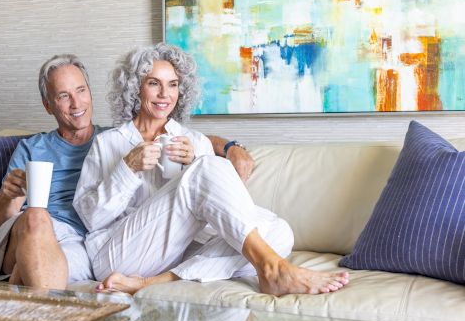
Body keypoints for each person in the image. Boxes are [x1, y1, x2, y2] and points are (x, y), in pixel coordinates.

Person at [73, 43, 350, 296]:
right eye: (153, 83)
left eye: (172, 85)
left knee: (278, 230)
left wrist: (193, 163)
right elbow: (91, 220)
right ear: (136, 88)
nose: (164, 94)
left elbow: (226, 212)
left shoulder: (194, 141)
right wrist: (127, 169)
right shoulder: (108, 142)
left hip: (175, 254)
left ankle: (157, 282)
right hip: (118, 253)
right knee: (207, 167)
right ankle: (273, 269)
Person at [0, 53, 256, 290]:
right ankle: (29, 274)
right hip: (37, 225)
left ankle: (26, 282)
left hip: (80, 242)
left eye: (81, 91)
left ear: (90, 93)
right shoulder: (32, 146)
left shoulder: (112, 139)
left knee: (50, 274)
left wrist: (230, 147)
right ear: (48, 104)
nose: (76, 104)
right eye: (64, 96)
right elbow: (0, 216)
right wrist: (10, 194)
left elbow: (171, 132)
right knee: (36, 217)